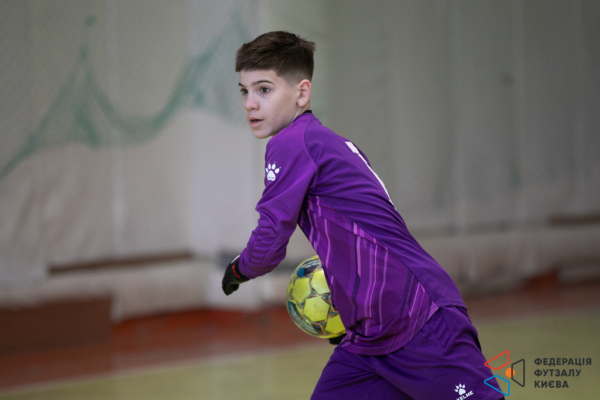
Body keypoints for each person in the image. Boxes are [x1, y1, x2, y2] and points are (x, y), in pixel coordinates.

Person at [222, 31, 504, 400]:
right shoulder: (325, 142)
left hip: (416, 317)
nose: (250, 103)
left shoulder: (292, 143)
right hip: (370, 335)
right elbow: (358, 234)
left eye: (264, 90)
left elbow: (272, 234)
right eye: (244, 91)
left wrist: (241, 269)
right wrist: (352, 308)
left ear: (302, 93)